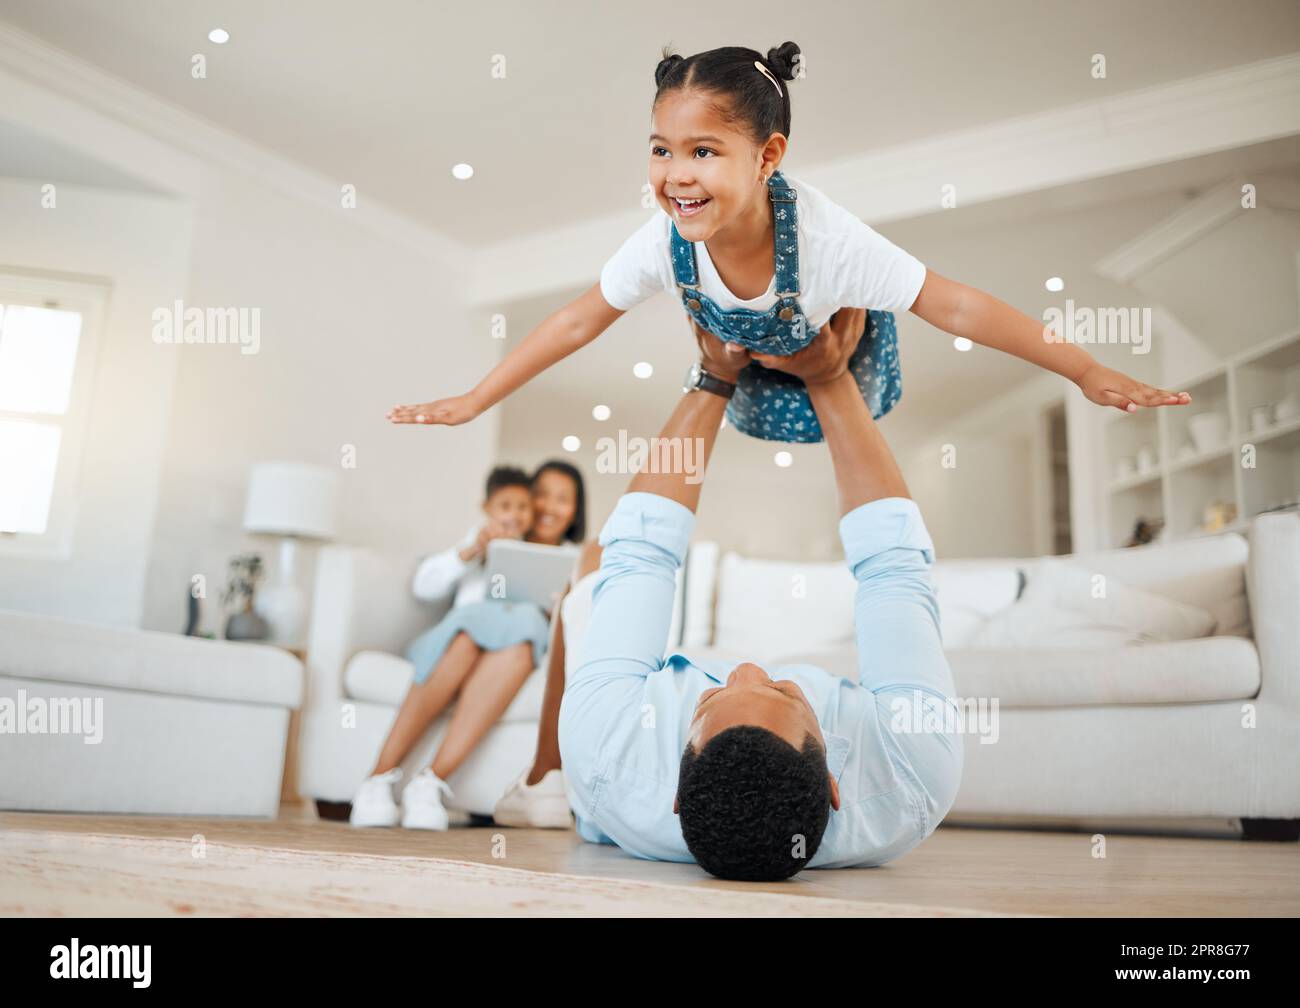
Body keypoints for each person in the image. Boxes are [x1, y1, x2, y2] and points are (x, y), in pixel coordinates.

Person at [387, 41, 1190, 441]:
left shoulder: (831, 240)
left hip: (830, 343)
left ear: (768, 157)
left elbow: (957, 306)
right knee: (714, 358)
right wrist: (478, 398)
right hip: (748, 366)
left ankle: (819, 371)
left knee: (835, 370)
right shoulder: (660, 242)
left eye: (703, 151)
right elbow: (577, 320)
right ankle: (738, 361)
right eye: (662, 149)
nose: (675, 174)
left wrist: (1083, 367)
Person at [519, 306, 963, 881]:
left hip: (612, 747)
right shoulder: (912, 776)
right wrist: (830, 378)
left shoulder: (609, 758)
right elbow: (893, 569)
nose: (749, 668)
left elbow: (642, 552)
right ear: (833, 784)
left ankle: (542, 775)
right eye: (783, 692)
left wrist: (713, 373)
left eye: (707, 700)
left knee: (596, 563)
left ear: (675, 793)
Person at [350, 461, 585, 830]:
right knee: (467, 638)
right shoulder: (488, 538)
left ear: (575, 510)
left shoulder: (576, 562)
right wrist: (472, 549)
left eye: (562, 499)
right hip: (462, 645)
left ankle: (429, 783)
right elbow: (424, 586)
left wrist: (560, 607)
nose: (545, 507)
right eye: (539, 496)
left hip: (514, 653)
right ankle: (378, 778)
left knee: (521, 632)